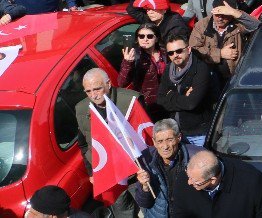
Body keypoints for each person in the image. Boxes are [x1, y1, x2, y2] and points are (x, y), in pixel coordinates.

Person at [74, 68, 141, 218]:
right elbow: (84, 144)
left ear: (108, 84)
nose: (93, 95)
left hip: (136, 171)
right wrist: (92, 172)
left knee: (147, 205)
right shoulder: (81, 109)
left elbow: (145, 135)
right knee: (122, 211)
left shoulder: (130, 100)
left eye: (97, 89)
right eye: (88, 91)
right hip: (111, 175)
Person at [130, 118, 204, 218]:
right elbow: (144, 203)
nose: (165, 146)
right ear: (154, 142)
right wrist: (145, 187)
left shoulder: (197, 156)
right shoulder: (145, 160)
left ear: (179, 138)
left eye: (170, 140)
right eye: (160, 141)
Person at [171, 149, 262, 217]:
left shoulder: (251, 180)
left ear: (213, 179)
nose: (189, 182)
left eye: (197, 182)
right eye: (188, 175)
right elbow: (179, 213)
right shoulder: (184, 179)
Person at [157, 32, 218, 147]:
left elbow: (191, 104)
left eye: (179, 51)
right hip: (176, 131)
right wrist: (182, 96)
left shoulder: (201, 69)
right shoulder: (169, 69)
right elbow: (160, 99)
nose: (175, 55)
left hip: (198, 133)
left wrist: (170, 96)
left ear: (188, 49)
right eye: (171, 53)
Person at [188, 0, 260, 80]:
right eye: (217, 14)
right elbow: (194, 50)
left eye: (224, 15)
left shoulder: (238, 24)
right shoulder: (201, 25)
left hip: (234, 76)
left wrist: (235, 12)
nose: (220, 18)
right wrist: (220, 53)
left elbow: (256, 25)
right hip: (208, 77)